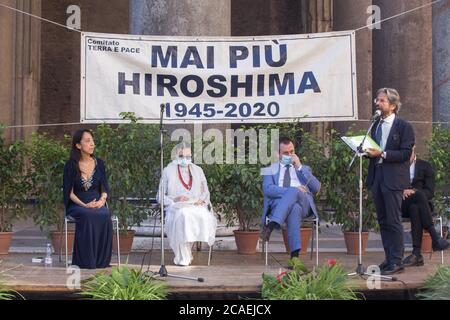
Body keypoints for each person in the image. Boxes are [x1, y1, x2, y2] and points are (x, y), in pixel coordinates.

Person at [366, 88, 415, 275]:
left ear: (393, 105)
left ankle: (397, 261)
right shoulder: (375, 124)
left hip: (393, 179)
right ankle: (388, 258)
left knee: (394, 220)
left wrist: (383, 154)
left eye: (382, 101)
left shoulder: (404, 126)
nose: (377, 103)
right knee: (383, 221)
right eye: (376, 100)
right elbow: (372, 148)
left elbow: (405, 153)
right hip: (377, 176)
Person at [260, 137, 321, 260]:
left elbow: (316, 187)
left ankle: (271, 225)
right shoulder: (269, 169)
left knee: (296, 198)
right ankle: (295, 258)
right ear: (278, 154)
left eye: (292, 152)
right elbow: (267, 189)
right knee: (294, 208)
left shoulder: (304, 169)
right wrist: (292, 190)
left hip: (304, 204)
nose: (290, 155)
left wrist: (299, 166)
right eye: (286, 153)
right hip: (282, 206)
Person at [158, 143, 217, 266]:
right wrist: (175, 199)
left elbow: (205, 192)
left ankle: (186, 253)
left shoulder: (197, 170)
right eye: (181, 156)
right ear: (176, 155)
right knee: (183, 214)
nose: (185, 159)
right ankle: (183, 255)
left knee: (200, 216)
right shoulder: (168, 170)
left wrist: (201, 200)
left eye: (188, 156)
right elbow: (160, 196)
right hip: (176, 206)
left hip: (195, 205)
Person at [63, 129, 112, 269]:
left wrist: (102, 200)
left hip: (96, 203)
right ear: (78, 145)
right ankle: (86, 261)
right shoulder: (71, 165)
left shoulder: (99, 163)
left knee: (104, 213)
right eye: (87, 141)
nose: (92, 144)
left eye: (92, 140)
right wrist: (85, 205)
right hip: (77, 204)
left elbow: (104, 188)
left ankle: (101, 261)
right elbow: (69, 193)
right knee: (88, 214)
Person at [401, 145, 449, 267]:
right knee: (416, 200)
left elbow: (430, 191)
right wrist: (403, 191)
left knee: (416, 206)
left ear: (413, 147)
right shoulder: (398, 167)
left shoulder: (425, 166)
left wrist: (415, 192)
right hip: (403, 203)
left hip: (421, 206)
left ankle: (416, 255)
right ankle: (435, 237)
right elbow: (392, 185)